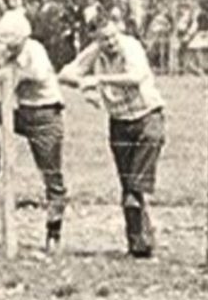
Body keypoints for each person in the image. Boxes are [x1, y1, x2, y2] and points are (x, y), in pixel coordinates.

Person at [58, 16, 166, 259]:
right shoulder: (95, 51)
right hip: (119, 123)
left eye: (112, 36)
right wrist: (84, 86)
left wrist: (98, 80)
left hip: (147, 119)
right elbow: (65, 74)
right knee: (128, 186)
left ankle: (143, 241)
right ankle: (139, 245)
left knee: (135, 188)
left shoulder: (131, 47)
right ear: (96, 39)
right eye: (104, 39)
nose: (110, 42)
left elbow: (136, 77)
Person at [0, 9, 68, 252]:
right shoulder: (2, 51)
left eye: (14, 45)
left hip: (45, 115)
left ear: (24, 38)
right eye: (6, 44)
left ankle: (53, 233)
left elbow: (37, 74)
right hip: (19, 113)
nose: (10, 49)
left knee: (52, 176)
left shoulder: (34, 50)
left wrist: (10, 74)